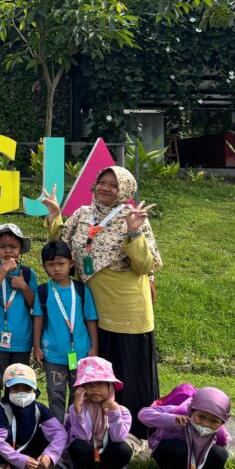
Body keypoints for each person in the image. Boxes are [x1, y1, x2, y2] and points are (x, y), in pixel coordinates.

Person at [40, 166, 161, 436]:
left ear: (125, 190)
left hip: (126, 308)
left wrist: (133, 232)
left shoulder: (132, 216)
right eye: (102, 182)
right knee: (97, 373)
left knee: (127, 371)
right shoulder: (83, 214)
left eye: (113, 185)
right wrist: (55, 216)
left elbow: (144, 265)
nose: (105, 188)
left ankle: (133, 432)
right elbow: (61, 249)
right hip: (92, 308)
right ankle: (96, 427)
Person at [31, 240, 99, 421]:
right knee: (55, 394)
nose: (56, 269)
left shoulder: (82, 290)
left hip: (81, 353)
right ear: (44, 267)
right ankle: (57, 430)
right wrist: (36, 346)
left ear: (71, 263)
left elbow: (91, 319)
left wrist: (94, 347)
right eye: (51, 265)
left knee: (79, 393)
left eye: (61, 263)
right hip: (53, 354)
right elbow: (38, 319)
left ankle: (76, 428)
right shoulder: (43, 291)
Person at [0, 363, 68, 469]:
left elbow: (59, 432)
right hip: (7, 450)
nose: (21, 393)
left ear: (34, 390)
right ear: (7, 390)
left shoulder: (39, 408)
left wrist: (50, 454)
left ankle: (39, 464)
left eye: (27, 389)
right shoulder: (1, 410)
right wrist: (19, 459)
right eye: (16, 388)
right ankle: (0, 464)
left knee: (46, 432)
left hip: (31, 447)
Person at [0, 223, 38, 406]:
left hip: (22, 338)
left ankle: (16, 415)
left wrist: (24, 286)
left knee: (19, 382)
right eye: (3, 247)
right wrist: (3, 270)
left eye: (13, 247)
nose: (8, 251)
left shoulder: (28, 273)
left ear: (20, 250)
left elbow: (34, 304)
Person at [140, 386, 234, 469]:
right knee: (176, 447)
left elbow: (222, 447)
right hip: (173, 457)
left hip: (198, 462)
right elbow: (143, 414)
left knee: (220, 452)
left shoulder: (220, 432)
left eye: (214, 421)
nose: (206, 424)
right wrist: (172, 419)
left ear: (222, 422)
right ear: (192, 409)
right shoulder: (179, 412)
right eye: (201, 417)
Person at [64, 356, 137, 469]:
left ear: (111, 387)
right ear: (82, 388)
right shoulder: (76, 409)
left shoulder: (122, 411)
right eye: (89, 384)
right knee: (78, 446)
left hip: (106, 456)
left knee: (124, 449)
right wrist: (78, 409)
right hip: (86, 456)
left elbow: (118, 437)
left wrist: (114, 412)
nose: (94, 389)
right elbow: (83, 436)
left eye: (100, 384)